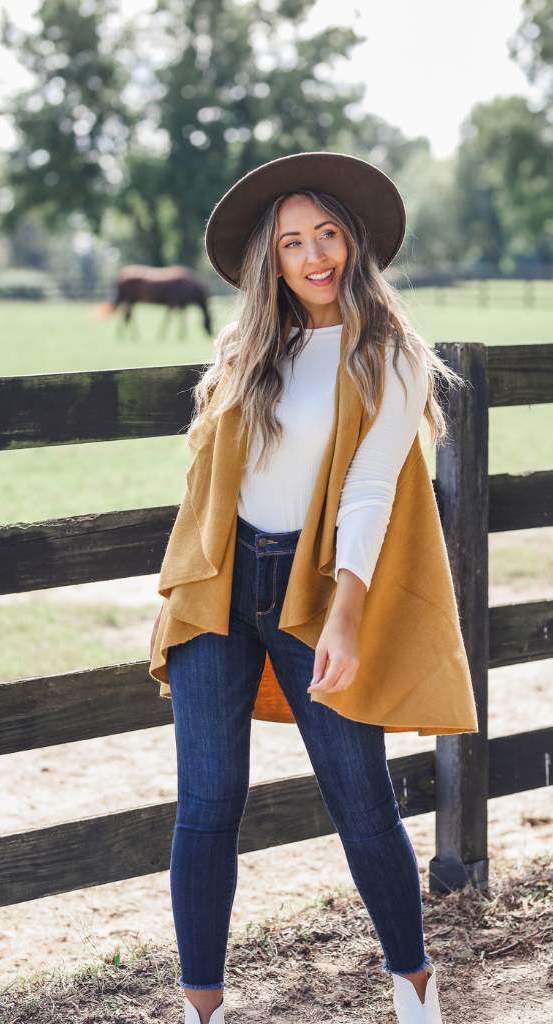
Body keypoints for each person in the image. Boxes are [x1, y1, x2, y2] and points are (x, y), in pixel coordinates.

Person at [149, 152, 478, 1024]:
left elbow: (371, 488)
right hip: (219, 585)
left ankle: (415, 993)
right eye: (292, 241)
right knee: (207, 804)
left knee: (358, 793)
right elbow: (216, 474)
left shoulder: (391, 354)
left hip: (314, 585)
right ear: (273, 259)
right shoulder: (254, 346)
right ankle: (200, 1011)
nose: (313, 254)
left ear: (354, 240)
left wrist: (345, 614)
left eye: (326, 233)